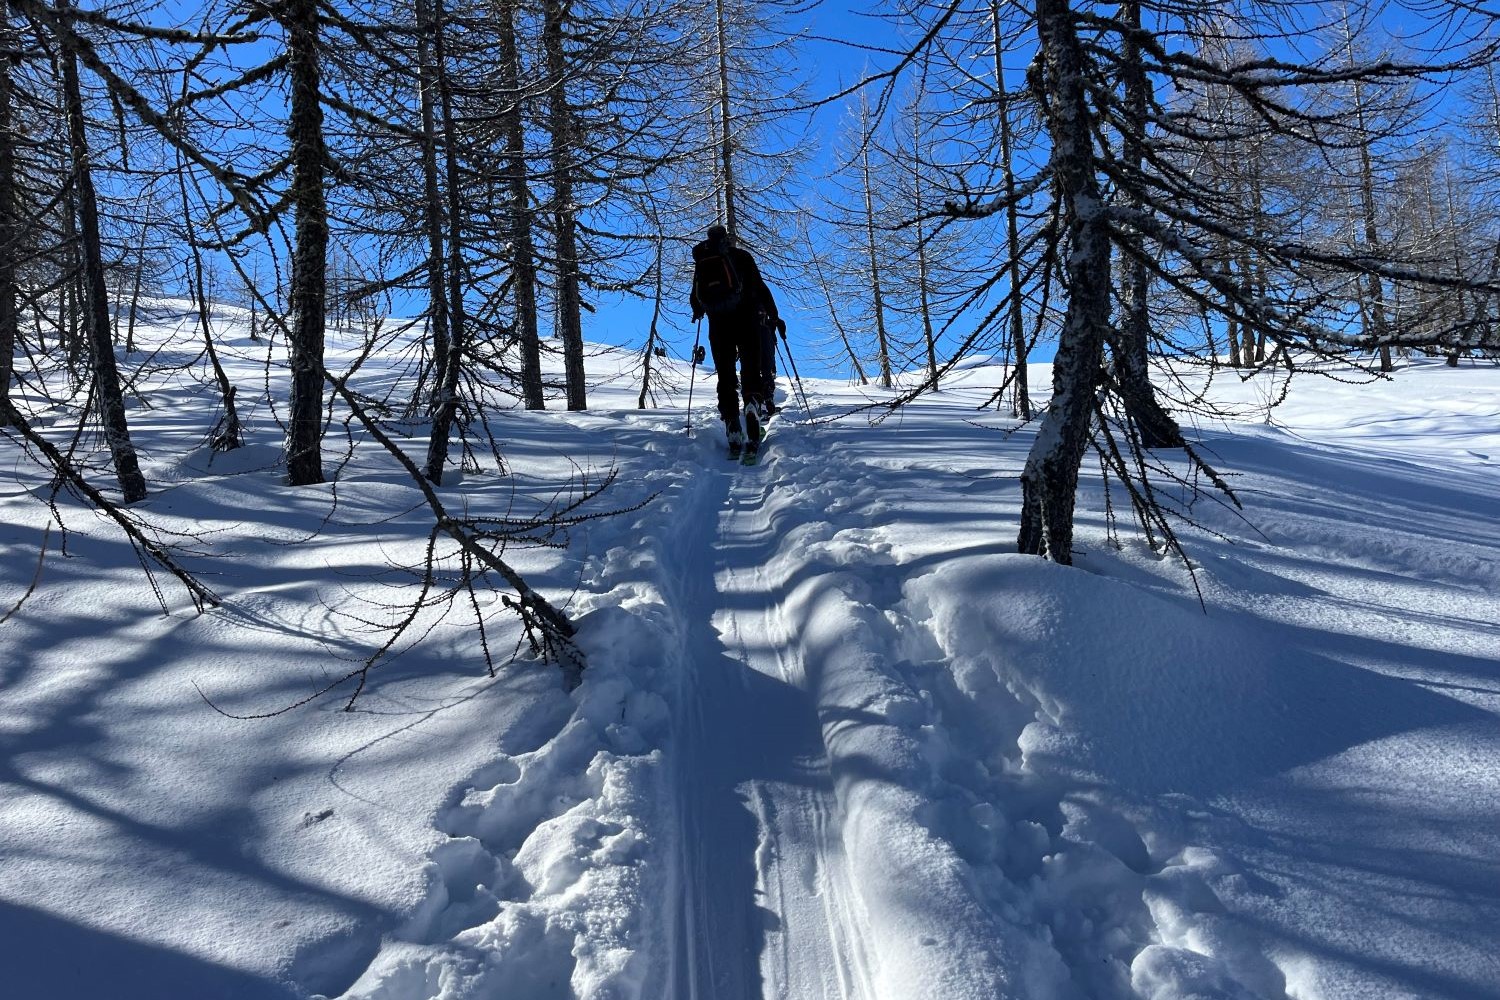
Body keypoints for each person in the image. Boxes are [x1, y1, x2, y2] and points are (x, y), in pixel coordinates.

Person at [690, 224, 781, 455]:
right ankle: (751, 405)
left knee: (726, 375)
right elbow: (761, 288)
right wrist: (774, 316)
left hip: (719, 326)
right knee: (750, 369)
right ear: (728, 240)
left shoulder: (703, 260)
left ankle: (731, 421)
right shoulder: (742, 257)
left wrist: (699, 312)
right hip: (747, 321)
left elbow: (696, 297)